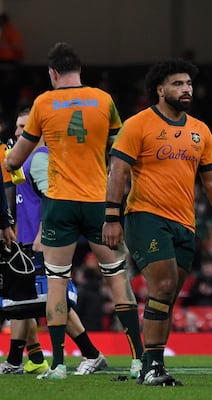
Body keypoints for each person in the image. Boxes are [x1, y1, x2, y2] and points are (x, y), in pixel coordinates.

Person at [4, 42, 144, 380]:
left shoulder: (43, 102)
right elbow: (121, 147)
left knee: (55, 282)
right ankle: (141, 360)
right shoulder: (103, 100)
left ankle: (57, 366)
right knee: (117, 279)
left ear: (53, 73)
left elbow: (15, 159)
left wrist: (15, 157)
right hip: (98, 200)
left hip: (61, 204)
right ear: (79, 70)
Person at [102, 58, 212, 386]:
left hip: (184, 224)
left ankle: (150, 365)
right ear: (160, 90)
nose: (186, 89)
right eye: (178, 84)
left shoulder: (200, 131)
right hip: (145, 216)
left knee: (168, 296)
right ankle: (150, 368)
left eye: (188, 84)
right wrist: (111, 217)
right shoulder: (138, 124)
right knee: (161, 287)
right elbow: (118, 171)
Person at [1, 108, 107, 376]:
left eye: (23, 127)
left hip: (40, 241)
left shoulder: (40, 159)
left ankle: (92, 354)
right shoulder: (26, 159)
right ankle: (15, 361)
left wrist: (41, 234)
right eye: (16, 126)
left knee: (51, 300)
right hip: (24, 239)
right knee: (21, 301)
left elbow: (53, 198)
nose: (16, 133)